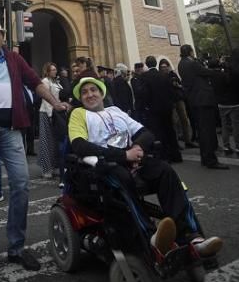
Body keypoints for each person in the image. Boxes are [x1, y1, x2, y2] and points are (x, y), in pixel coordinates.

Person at [0, 18, 69, 276]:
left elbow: (36, 83)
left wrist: (56, 102)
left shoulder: (15, 60)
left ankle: (16, 247)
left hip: (11, 130)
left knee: (21, 183)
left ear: (3, 37)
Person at [68, 77, 223, 258]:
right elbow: (79, 145)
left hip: (133, 159)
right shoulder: (79, 114)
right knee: (122, 179)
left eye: (93, 90)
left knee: (165, 171)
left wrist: (138, 147)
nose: (89, 94)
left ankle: (190, 235)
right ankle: (151, 237)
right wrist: (123, 155)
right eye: (84, 92)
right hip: (106, 165)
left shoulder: (115, 110)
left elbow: (145, 133)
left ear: (102, 93)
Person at [178, 45, 228, 170]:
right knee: (208, 131)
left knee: (202, 130)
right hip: (203, 100)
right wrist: (219, 68)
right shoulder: (192, 63)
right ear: (190, 52)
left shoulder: (181, 64)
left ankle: (205, 158)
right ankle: (211, 160)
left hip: (194, 100)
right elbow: (207, 72)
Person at [142, 56, 182, 163]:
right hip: (167, 108)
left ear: (146, 64)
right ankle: (176, 155)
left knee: (159, 133)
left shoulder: (145, 76)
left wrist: (146, 106)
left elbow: (145, 94)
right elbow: (171, 91)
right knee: (170, 130)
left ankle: (164, 156)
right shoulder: (164, 75)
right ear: (155, 63)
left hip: (154, 110)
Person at [158, 58, 195, 149]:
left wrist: (177, 85)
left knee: (185, 120)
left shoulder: (173, 74)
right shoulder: (160, 77)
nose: (164, 68)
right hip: (170, 102)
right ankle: (176, 143)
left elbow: (180, 84)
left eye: (166, 66)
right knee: (174, 122)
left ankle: (188, 140)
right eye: (162, 67)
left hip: (179, 99)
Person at [38, 62, 63, 180]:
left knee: (54, 141)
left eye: (55, 69)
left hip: (55, 113)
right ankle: (46, 169)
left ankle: (54, 166)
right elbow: (46, 99)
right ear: (47, 71)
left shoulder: (56, 82)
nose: (55, 71)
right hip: (47, 113)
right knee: (46, 141)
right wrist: (50, 115)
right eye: (52, 70)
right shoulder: (45, 82)